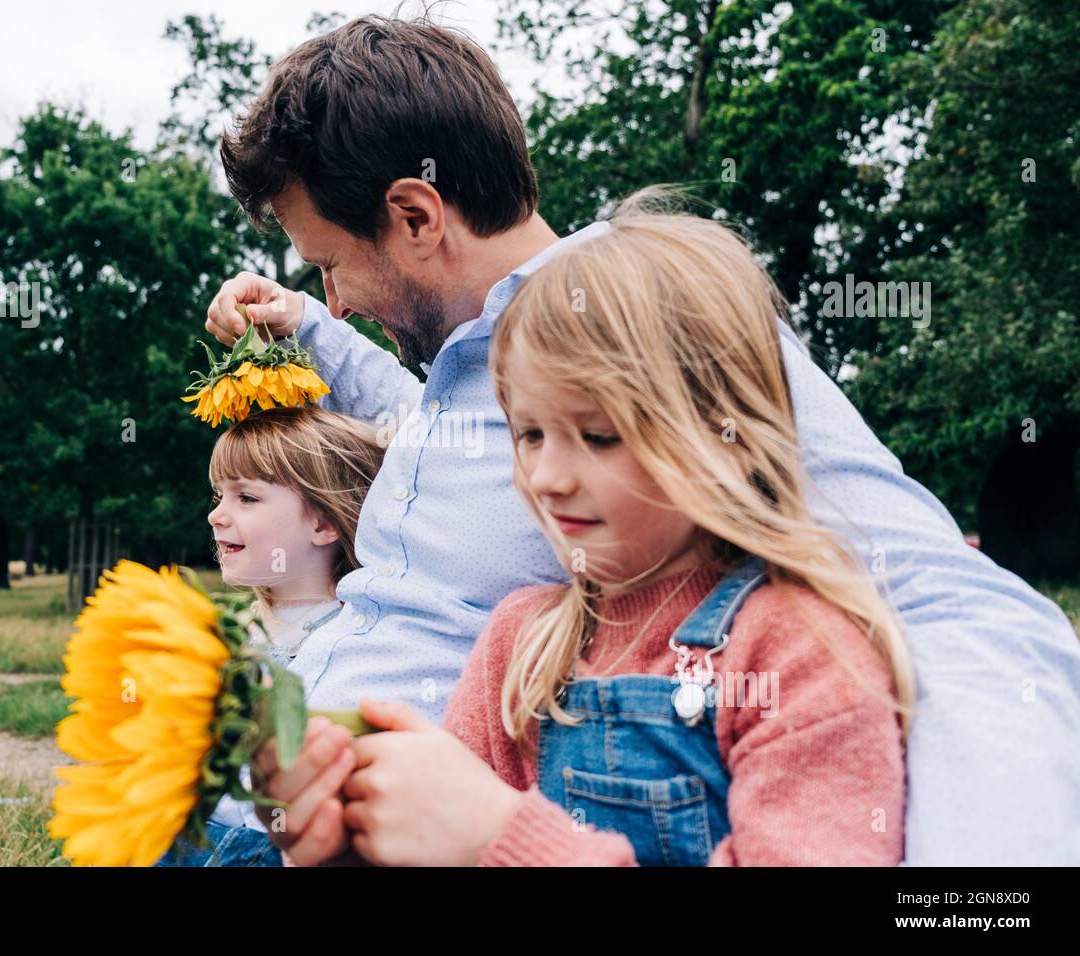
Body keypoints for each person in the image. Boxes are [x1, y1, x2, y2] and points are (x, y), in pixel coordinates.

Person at [206, 15, 1080, 865]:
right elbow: (420, 421)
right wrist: (308, 326)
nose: (341, 297)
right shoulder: (462, 375)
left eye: (330, 263)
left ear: (417, 217)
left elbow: (944, 594)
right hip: (280, 823)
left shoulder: (646, 326)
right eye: (527, 436)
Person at [154, 405, 384, 867]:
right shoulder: (233, 632)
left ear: (323, 523)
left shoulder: (356, 643)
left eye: (247, 498)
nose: (216, 516)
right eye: (219, 496)